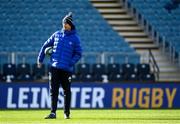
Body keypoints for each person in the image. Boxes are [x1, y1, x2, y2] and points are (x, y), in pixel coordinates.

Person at [37, 12, 82, 119]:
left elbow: (78, 54)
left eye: (66, 23)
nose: (64, 25)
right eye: (63, 23)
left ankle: (67, 113)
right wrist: (40, 59)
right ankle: (53, 113)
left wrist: (70, 63)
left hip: (67, 69)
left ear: (71, 25)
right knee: (53, 91)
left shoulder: (75, 38)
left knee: (67, 91)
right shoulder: (56, 34)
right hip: (54, 68)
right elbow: (45, 46)